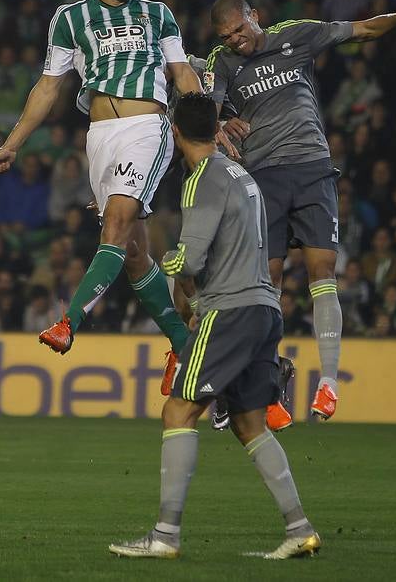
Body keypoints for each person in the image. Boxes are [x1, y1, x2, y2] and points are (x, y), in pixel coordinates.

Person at [203, 0, 396, 418]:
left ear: (254, 16)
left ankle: (328, 382)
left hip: (311, 168)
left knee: (322, 270)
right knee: (265, 282)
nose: (236, 39)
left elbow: (363, 29)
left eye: (239, 29)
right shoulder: (223, 63)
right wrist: (221, 125)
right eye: (227, 36)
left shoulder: (297, 34)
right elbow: (209, 114)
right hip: (263, 178)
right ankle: (266, 376)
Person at [0, 0, 201, 392]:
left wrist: (205, 127)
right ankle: (184, 347)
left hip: (148, 126)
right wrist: (13, 143)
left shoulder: (157, 14)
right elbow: (48, 87)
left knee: (116, 227)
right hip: (100, 137)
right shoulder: (70, 18)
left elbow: (182, 72)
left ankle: (68, 322)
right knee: (134, 254)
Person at [109, 92, 320, 560]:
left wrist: (157, 261)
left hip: (229, 311)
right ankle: (300, 529)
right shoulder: (240, 174)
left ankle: (165, 536)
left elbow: (192, 257)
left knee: (178, 412)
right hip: (264, 307)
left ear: (176, 132)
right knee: (249, 424)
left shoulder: (201, 178)